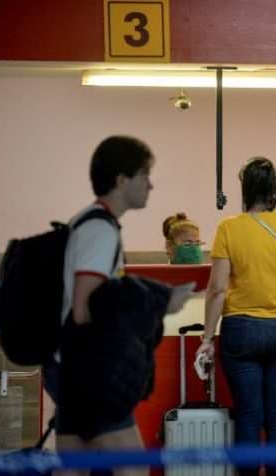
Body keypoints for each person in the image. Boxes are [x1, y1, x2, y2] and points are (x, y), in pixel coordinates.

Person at [44, 136, 191, 476]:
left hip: (68, 365)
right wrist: (157, 303)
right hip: (87, 371)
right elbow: (85, 308)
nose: (150, 185)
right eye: (144, 175)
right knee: (134, 467)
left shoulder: (87, 221)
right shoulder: (100, 230)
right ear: (122, 180)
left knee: (74, 469)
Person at [196, 157, 276, 476]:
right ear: (274, 188)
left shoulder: (229, 228)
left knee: (248, 416)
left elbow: (217, 289)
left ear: (245, 189)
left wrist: (207, 338)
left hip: (241, 330)